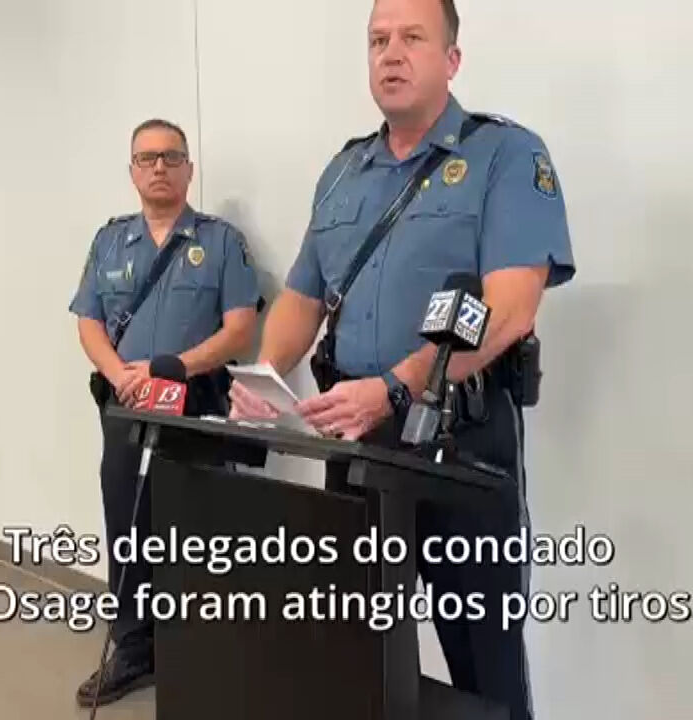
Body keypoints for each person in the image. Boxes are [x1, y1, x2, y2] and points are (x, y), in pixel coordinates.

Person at [229, 1, 575, 717]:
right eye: (378, 40)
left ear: (452, 59)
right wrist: (265, 375)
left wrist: (395, 387)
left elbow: (510, 308)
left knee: (482, 660)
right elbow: (302, 297)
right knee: (356, 648)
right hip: (355, 439)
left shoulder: (506, 156)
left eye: (413, 37)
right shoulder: (344, 171)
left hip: (459, 441)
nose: (391, 53)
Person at [69, 118, 261, 708]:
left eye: (171, 157)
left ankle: (203, 650)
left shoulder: (220, 242)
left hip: (194, 408)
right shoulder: (109, 242)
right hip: (127, 408)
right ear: (131, 171)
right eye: (147, 158)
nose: (159, 167)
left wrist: (176, 366)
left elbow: (239, 328)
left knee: (199, 532)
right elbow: (88, 321)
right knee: (128, 528)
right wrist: (120, 374)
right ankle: (133, 649)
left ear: (189, 170)